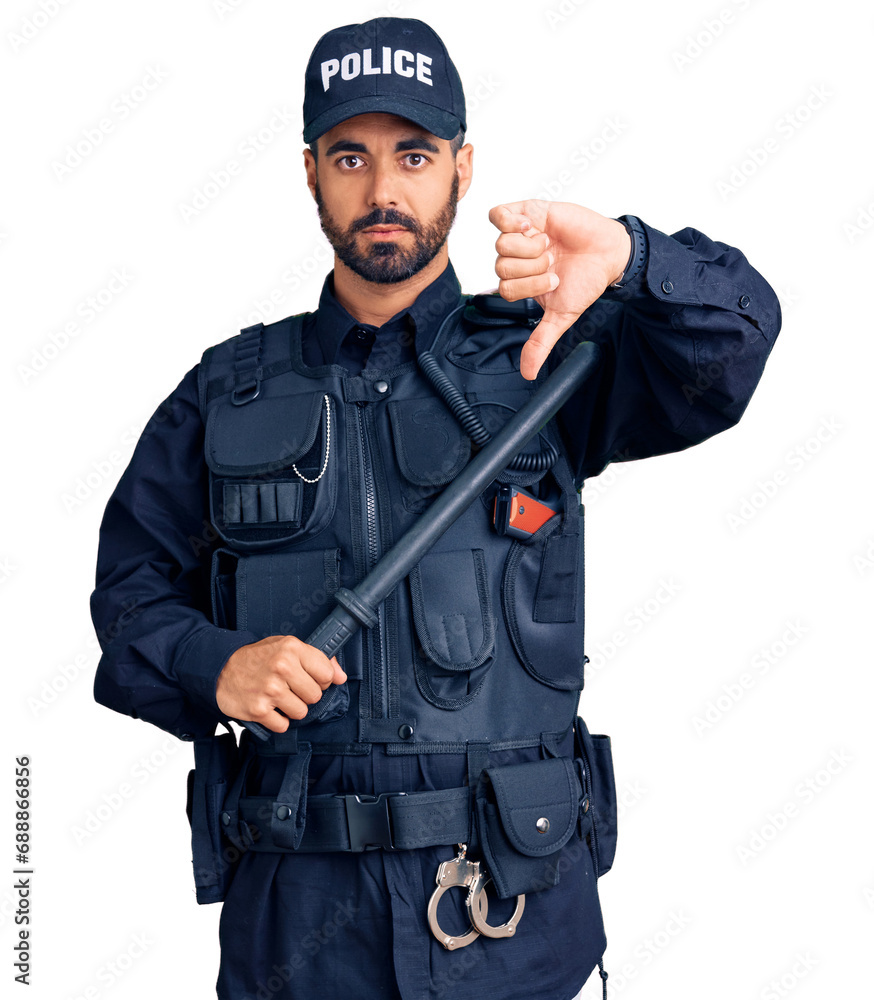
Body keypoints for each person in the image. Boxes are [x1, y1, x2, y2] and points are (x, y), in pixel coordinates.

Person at [90, 16, 781, 1000]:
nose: (382, 191)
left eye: (412, 155)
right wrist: (217, 665)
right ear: (309, 170)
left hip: (515, 924)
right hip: (299, 941)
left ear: (461, 166)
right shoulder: (224, 392)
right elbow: (126, 608)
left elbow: (738, 340)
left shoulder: (550, 354)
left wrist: (628, 257)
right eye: (350, 156)